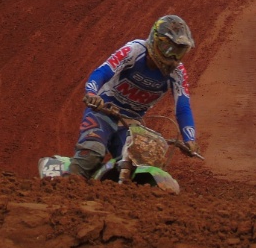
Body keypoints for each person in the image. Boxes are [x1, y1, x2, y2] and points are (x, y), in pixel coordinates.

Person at [67, 15, 199, 179]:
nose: (172, 58)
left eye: (179, 52)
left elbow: (183, 107)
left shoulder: (178, 72)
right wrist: (92, 93)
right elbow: (102, 71)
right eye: (168, 48)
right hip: (103, 111)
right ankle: (66, 181)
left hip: (131, 124)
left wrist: (190, 139)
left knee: (138, 167)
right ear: (155, 40)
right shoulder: (134, 50)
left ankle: (104, 182)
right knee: (91, 154)